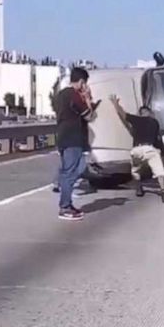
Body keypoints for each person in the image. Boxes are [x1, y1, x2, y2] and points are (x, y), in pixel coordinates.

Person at [109, 97, 164, 203]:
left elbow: (123, 114)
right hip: (149, 149)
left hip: (136, 150)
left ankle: (139, 188)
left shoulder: (137, 119)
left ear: (140, 113)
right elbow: (157, 140)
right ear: (149, 113)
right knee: (159, 171)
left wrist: (115, 104)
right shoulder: (155, 122)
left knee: (135, 170)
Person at [54, 67, 97, 220]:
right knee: (71, 172)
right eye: (85, 82)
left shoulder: (60, 95)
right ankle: (64, 206)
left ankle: (67, 202)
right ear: (81, 82)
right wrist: (87, 98)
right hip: (73, 137)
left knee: (79, 168)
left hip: (63, 135)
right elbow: (89, 116)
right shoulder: (75, 96)